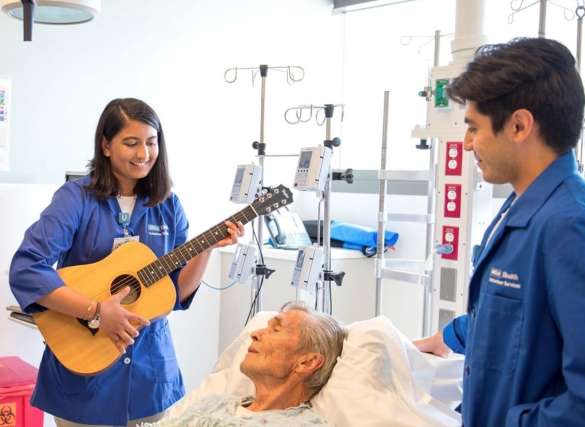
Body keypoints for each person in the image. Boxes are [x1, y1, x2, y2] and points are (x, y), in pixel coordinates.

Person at [414, 38, 585, 426]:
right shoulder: (521, 208)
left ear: (519, 125)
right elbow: (515, 318)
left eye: (474, 128)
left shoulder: (572, 226)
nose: (467, 144)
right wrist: (443, 339)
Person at [9, 98, 244, 427]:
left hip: (150, 375)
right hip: (85, 371)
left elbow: (173, 293)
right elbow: (27, 268)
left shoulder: (168, 205)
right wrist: (95, 310)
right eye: (131, 143)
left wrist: (205, 250)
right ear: (106, 145)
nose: (143, 154)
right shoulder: (75, 198)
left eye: (151, 142)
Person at [143, 301, 347, 427]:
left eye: (275, 330)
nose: (255, 334)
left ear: (307, 362)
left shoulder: (302, 424)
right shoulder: (215, 404)